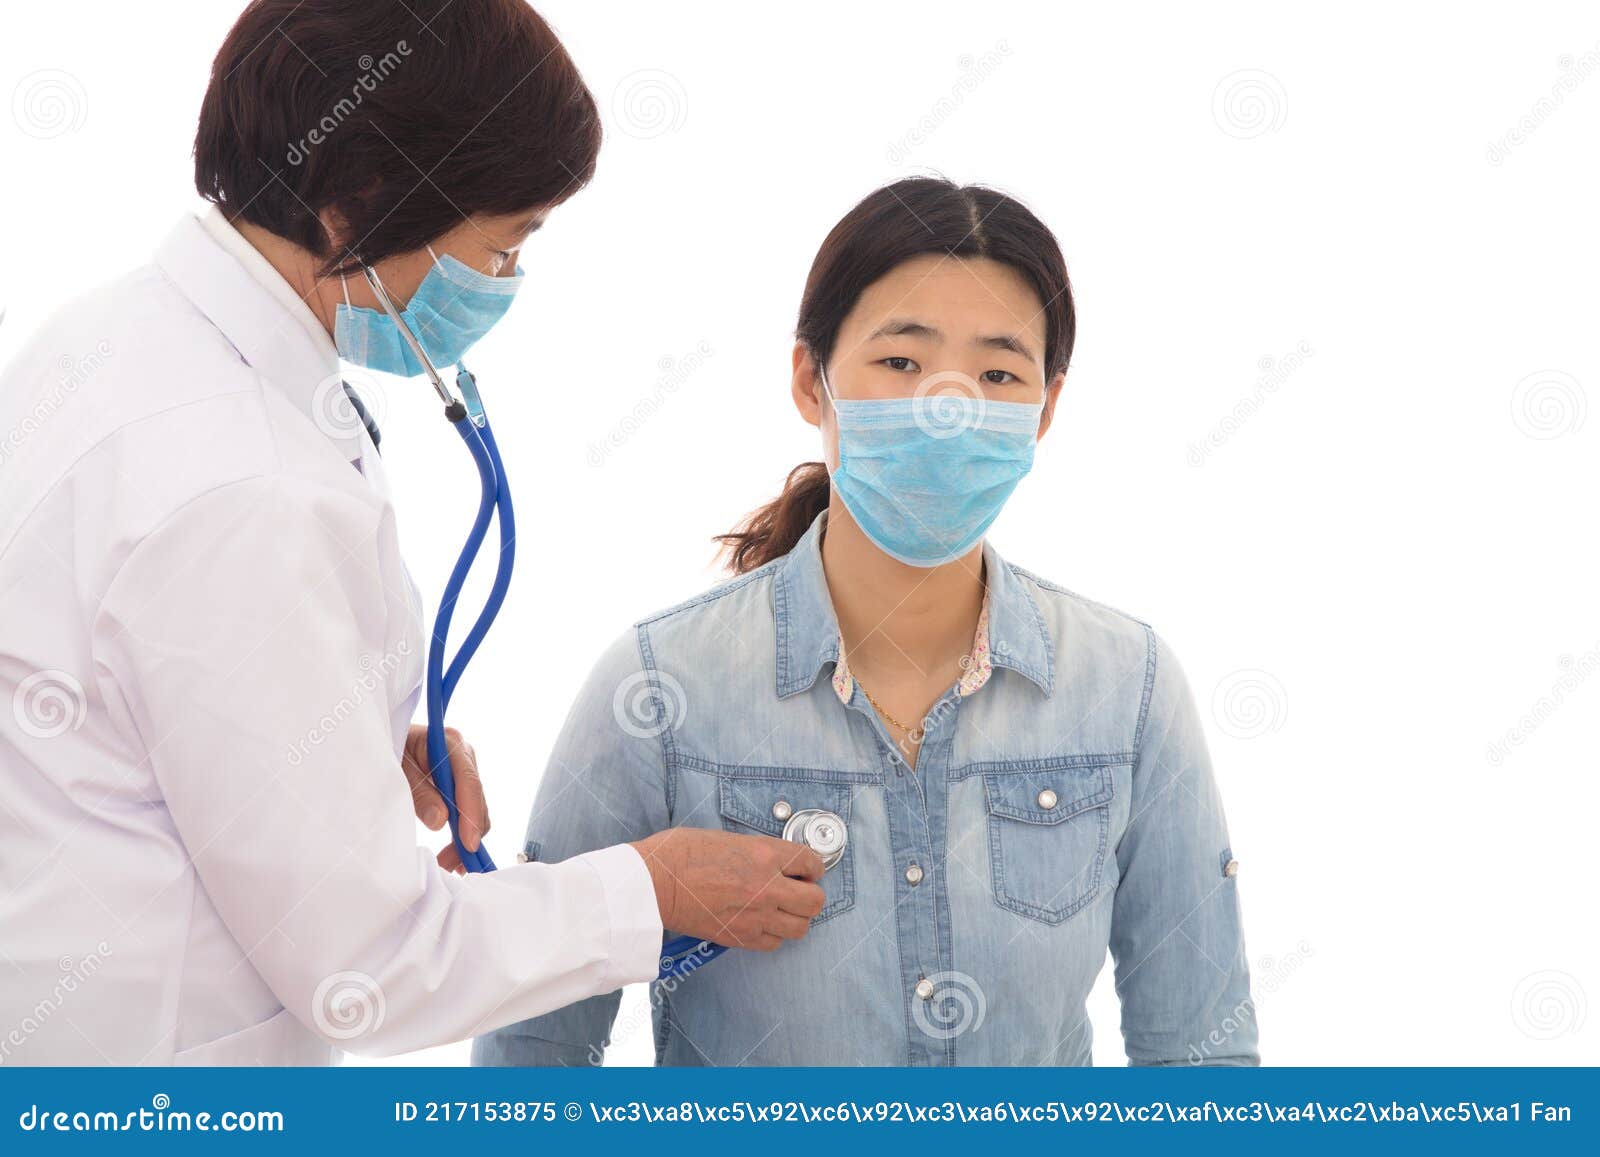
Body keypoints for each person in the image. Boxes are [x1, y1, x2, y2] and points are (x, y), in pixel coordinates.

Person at [0, 0, 822, 1066]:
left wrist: (327, 744)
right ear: (360, 202)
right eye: (507, 241)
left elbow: (135, 706)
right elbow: (371, 972)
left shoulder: (113, 335)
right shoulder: (240, 487)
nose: (508, 280)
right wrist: (649, 888)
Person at [474, 178, 1258, 1067]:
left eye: (999, 372)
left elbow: (1202, 1059)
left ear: (1045, 408)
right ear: (812, 381)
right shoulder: (657, 685)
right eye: (901, 361)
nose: (948, 403)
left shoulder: (1131, 685)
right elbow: (532, 1055)